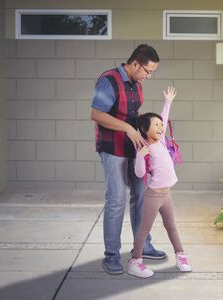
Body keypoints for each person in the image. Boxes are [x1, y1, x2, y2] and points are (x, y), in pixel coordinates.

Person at [91, 44, 166, 275]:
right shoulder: (109, 80)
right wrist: (127, 128)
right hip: (112, 148)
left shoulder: (136, 83)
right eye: (147, 70)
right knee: (116, 200)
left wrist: (149, 124)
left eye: (152, 72)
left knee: (142, 197)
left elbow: (131, 115)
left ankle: (144, 245)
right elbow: (96, 114)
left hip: (134, 148)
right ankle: (112, 256)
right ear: (135, 63)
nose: (148, 75)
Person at [127, 86, 192, 278]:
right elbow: (139, 174)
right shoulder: (145, 148)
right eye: (155, 125)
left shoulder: (162, 140)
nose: (160, 127)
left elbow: (164, 117)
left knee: (171, 226)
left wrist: (168, 102)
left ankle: (181, 256)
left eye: (160, 125)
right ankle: (135, 261)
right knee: (144, 228)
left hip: (167, 194)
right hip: (154, 195)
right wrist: (139, 156)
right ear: (145, 130)